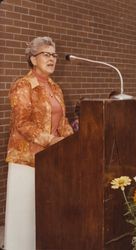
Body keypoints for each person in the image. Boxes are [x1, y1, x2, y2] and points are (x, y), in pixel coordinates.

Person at [4, 36, 73, 250]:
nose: (52, 58)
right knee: (26, 214)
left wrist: (74, 141)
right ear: (33, 59)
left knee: (46, 213)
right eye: (46, 54)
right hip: (26, 160)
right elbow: (22, 124)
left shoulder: (55, 87)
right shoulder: (22, 85)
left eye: (54, 55)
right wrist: (52, 140)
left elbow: (62, 122)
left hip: (51, 159)